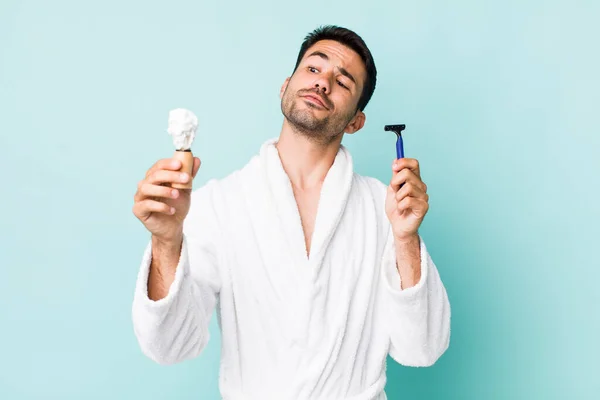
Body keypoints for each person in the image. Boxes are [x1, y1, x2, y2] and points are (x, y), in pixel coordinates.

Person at [131, 25, 450, 400]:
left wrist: (406, 238)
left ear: (355, 122)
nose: (323, 83)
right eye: (313, 69)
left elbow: (422, 348)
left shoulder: (385, 210)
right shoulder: (220, 203)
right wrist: (167, 241)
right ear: (285, 86)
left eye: (343, 82)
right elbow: (169, 346)